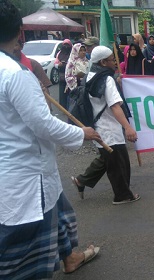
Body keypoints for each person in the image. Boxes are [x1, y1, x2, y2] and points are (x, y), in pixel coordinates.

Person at [0, 0, 101, 277]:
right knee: (24, 259)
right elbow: (43, 125)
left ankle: (70, 257)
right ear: (20, 33)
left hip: (29, 170)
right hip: (25, 175)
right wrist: (83, 133)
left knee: (59, 209)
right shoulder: (14, 74)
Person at [71, 46, 140, 205]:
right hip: (110, 128)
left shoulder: (90, 75)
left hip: (98, 126)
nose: (115, 62)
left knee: (108, 159)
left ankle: (81, 181)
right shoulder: (107, 80)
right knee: (118, 165)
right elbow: (115, 106)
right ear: (103, 62)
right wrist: (128, 127)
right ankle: (122, 195)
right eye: (111, 60)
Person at [13, 39, 54, 111]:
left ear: (21, 46)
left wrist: (48, 110)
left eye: (15, 45)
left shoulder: (33, 64)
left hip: (32, 109)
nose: (12, 49)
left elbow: (45, 89)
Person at [55, 39, 72, 110]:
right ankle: (63, 107)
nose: (66, 47)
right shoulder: (59, 53)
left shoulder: (72, 53)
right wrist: (59, 65)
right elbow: (55, 63)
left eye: (67, 45)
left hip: (71, 76)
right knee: (62, 92)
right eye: (64, 45)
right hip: (62, 76)